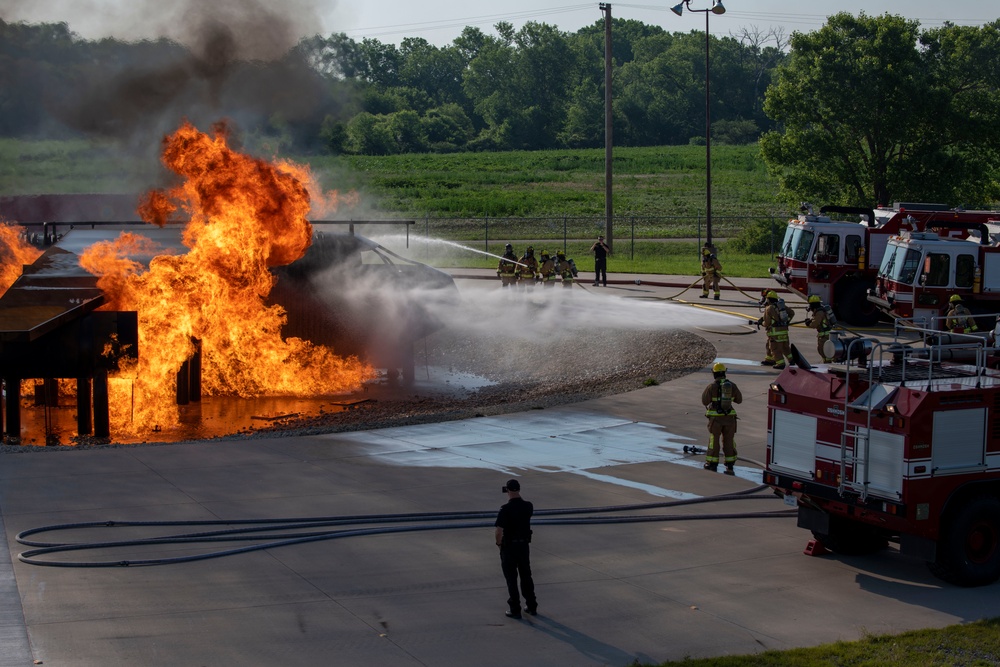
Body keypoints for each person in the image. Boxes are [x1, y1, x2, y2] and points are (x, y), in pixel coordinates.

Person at [495, 478, 537, 619]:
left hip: (509, 547)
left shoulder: (505, 509)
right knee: (526, 575)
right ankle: (531, 605)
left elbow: (499, 531)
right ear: (519, 489)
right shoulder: (528, 506)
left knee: (511, 578)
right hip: (524, 546)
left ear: (507, 490)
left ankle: (515, 608)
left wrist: (499, 544)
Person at [701, 362, 743, 474]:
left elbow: (704, 401)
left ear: (714, 373)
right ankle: (730, 465)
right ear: (724, 372)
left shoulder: (711, 387)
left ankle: (712, 463)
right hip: (730, 418)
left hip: (715, 419)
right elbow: (739, 400)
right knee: (729, 440)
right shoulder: (732, 385)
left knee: (714, 440)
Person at [758, 290, 795, 370]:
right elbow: (792, 312)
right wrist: (787, 321)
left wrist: (761, 323)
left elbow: (767, 323)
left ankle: (780, 363)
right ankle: (791, 360)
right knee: (785, 348)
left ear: (768, 299)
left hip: (774, 333)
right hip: (784, 332)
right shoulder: (781, 306)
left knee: (775, 349)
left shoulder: (769, 308)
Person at [805, 295, 835, 363]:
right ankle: (827, 362)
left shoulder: (819, 312)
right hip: (824, 335)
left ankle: (827, 364)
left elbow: (815, 324)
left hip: (824, 336)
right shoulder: (820, 310)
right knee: (823, 350)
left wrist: (808, 324)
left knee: (823, 351)